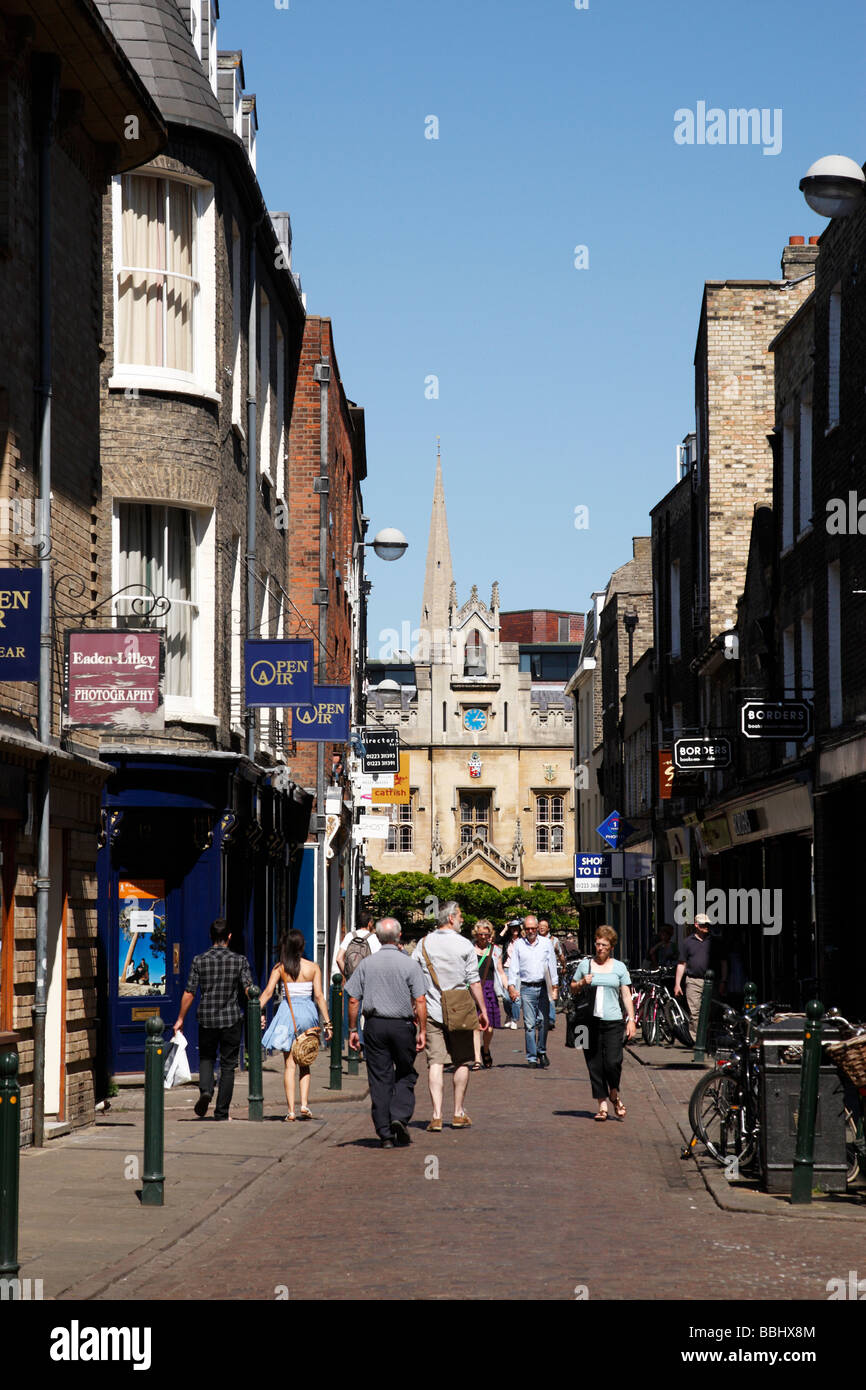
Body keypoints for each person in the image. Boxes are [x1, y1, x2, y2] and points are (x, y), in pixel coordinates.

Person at [346, 918, 427, 1148]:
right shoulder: (410, 965)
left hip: (375, 1026)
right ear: (399, 936)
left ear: (378, 938)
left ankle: (384, 1133)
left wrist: (353, 1029)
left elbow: (353, 1000)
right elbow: (420, 1000)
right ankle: (399, 1116)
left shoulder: (367, 964)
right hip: (402, 1026)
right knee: (405, 1072)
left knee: (380, 1078)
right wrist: (422, 1030)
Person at [416, 900, 489, 1131]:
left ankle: (436, 1115)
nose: (462, 920)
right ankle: (457, 1113)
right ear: (450, 918)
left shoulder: (424, 943)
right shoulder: (465, 945)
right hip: (461, 1010)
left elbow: (414, 976)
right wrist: (483, 1010)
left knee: (435, 1062)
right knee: (462, 1060)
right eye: (460, 916)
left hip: (432, 1008)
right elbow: (473, 980)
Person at [172, 918, 253, 1122]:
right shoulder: (240, 960)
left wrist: (180, 1018)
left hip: (206, 1018)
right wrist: (257, 1008)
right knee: (227, 1066)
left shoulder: (199, 960)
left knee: (206, 1058)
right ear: (229, 937)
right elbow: (248, 989)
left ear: (211, 937)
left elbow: (189, 992)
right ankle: (221, 1112)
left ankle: (206, 1090)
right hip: (231, 1019)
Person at [259, 928, 333, 1121]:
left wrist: (256, 1010)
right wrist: (328, 1022)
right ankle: (305, 1105)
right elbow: (318, 996)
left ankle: (291, 1110)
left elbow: (267, 992)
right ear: (301, 946)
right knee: (305, 1061)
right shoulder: (313, 967)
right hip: (308, 1015)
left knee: (289, 1064)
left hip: (287, 1015)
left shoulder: (280, 968)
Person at [571, 924, 636, 1121]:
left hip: (613, 1020)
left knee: (613, 1061)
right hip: (589, 1021)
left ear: (611, 947)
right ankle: (602, 1104)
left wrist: (631, 1020)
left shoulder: (619, 967)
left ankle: (614, 1092)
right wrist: (582, 982)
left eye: (604, 945)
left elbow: (626, 994)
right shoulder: (585, 965)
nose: (599, 948)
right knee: (594, 1063)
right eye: (598, 944)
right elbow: (573, 988)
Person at [507, 915, 559, 1068]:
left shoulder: (546, 944)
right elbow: (514, 967)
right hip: (526, 988)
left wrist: (554, 987)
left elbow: (552, 964)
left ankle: (541, 1051)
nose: (530, 931)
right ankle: (531, 1057)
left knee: (543, 1022)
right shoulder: (518, 945)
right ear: (524, 929)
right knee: (529, 1024)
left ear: (537, 928)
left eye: (533, 928)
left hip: (543, 986)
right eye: (527, 928)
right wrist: (511, 986)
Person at [674, 913, 728, 1037]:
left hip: (712, 981)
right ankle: (697, 1041)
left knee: (710, 1011)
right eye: (703, 924)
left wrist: (723, 981)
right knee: (695, 1012)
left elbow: (723, 962)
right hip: (693, 981)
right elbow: (682, 964)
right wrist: (677, 984)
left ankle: (706, 1037)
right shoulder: (687, 942)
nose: (706, 927)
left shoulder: (716, 942)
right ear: (696, 925)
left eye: (708, 924)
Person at [470, 920, 505, 1069]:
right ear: (476, 934)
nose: (483, 937)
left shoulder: (496, 950)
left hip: (489, 990)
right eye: (480, 934)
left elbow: (500, 971)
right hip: (473, 990)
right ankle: (477, 1059)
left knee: (489, 1028)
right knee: (476, 1026)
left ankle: (485, 1049)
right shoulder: (469, 950)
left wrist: (509, 987)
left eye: (486, 934)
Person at [537, 919, 561, 1028]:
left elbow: (560, 954)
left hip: (549, 971)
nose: (541, 927)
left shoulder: (554, 940)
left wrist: (563, 966)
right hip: (537, 971)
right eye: (540, 925)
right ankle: (539, 1019)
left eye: (544, 926)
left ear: (548, 928)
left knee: (550, 996)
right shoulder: (534, 940)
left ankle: (550, 1019)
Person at [499, 921, 523, 1028]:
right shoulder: (507, 941)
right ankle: (509, 1014)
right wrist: (504, 928)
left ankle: (514, 1019)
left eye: (517, 928)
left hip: (519, 971)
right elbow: (497, 940)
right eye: (513, 928)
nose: (515, 930)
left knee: (516, 996)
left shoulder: (523, 941)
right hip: (507, 969)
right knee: (506, 997)